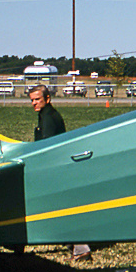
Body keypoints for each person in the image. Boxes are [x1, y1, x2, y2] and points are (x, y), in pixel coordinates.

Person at [28, 85, 91, 261]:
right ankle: (79, 247)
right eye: (32, 100)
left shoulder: (48, 118)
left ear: (47, 99)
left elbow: (46, 149)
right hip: (57, 171)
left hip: (53, 173)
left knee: (59, 210)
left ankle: (81, 248)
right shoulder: (47, 115)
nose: (34, 103)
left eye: (37, 99)